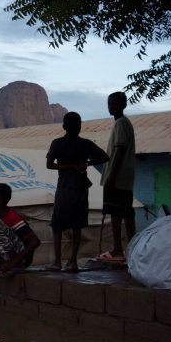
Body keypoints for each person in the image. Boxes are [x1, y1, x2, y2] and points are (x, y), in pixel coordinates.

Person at [45, 112, 109, 272]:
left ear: (64, 126)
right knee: (77, 225)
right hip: (80, 188)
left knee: (58, 225)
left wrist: (69, 166)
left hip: (65, 188)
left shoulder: (57, 143)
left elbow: (49, 165)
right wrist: (85, 163)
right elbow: (104, 157)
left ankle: (57, 262)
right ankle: (72, 261)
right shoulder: (85, 144)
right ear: (79, 127)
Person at [99, 92, 136, 262]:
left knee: (115, 213)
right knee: (127, 213)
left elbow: (119, 150)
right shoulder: (124, 123)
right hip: (124, 178)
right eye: (109, 103)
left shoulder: (121, 123)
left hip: (118, 177)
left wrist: (112, 176)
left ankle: (117, 250)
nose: (110, 107)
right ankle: (133, 248)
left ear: (122, 105)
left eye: (113, 104)